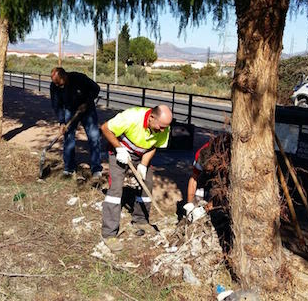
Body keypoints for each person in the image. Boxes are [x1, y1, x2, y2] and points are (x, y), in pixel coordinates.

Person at [99, 105, 173, 251]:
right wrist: (119, 149)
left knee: (147, 184)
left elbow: (153, 146)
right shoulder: (131, 117)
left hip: (142, 155)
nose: (163, 130)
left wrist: (143, 165)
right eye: (161, 126)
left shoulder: (164, 127)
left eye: (165, 127)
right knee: (115, 190)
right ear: (152, 117)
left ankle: (141, 220)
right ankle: (109, 234)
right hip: (119, 151)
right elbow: (105, 128)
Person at [49, 67, 102, 178]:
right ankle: (69, 168)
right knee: (68, 137)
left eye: (59, 83)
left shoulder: (79, 78)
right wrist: (62, 122)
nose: (58, 86)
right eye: (56, 84)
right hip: (70, 110)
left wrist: (87, 102)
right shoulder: (54, 86)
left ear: (65, 76)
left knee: (94, 137)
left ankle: (96, 169)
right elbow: (57, 105)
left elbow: (96, 89)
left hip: (87, 110)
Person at [183, 133, 231, 222]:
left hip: (224, 165)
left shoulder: (228, 161)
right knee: (201, 184)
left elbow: (226, 190)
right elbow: (193, 180)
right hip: (213, 163)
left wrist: (205, 209)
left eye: (209, 170)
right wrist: (189, 205)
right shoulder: (200, 155)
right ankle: (198, 202)